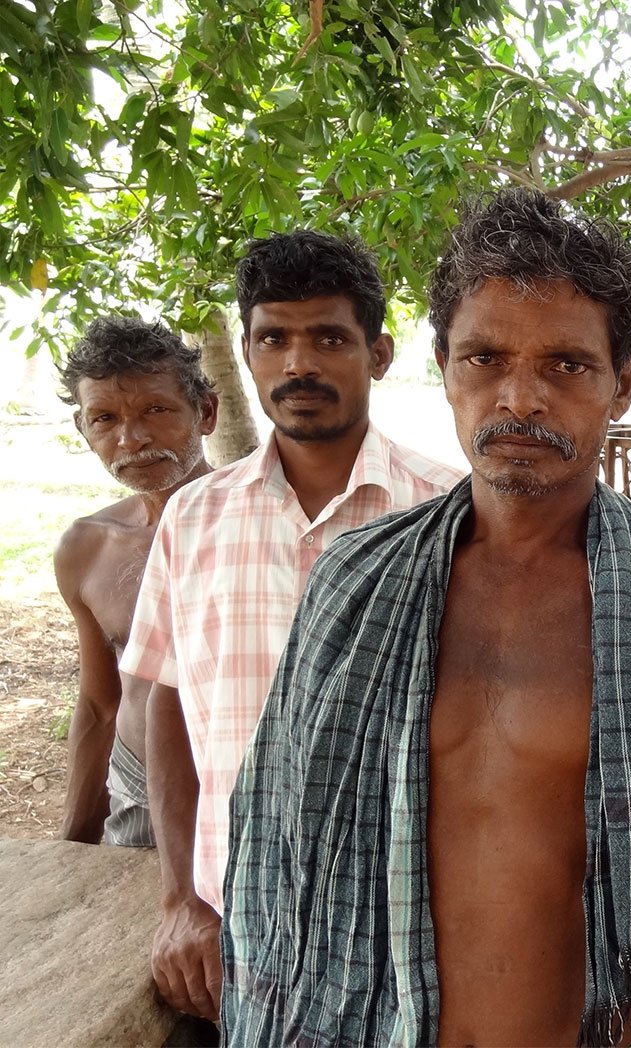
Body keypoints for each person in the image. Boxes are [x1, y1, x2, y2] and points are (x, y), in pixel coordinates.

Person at [220, 189, 631, 1048]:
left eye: (566, 365)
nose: (520, 400)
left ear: (623, 382)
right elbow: (275, 853)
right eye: (485, 358)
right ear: (443, 365)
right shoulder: (353, 583)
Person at [120, 231, 461, 1021]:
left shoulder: (451, 515)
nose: (299, 364)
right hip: (239, 927)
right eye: (274, 337)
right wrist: (181, 900)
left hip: (407, 927)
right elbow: (166, 704)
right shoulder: (193, 518)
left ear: (377, 354)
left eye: (329, 338)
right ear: (245, 351)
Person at [54, 317, 218, 847]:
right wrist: (74, 844)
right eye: (104, 418)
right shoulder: (87, 547)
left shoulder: (273, 526)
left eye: (157, 409)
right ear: (84, 431)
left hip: (251, 792)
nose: (132, 439)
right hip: (139, 791)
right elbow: (101, 704)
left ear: (206, 412)